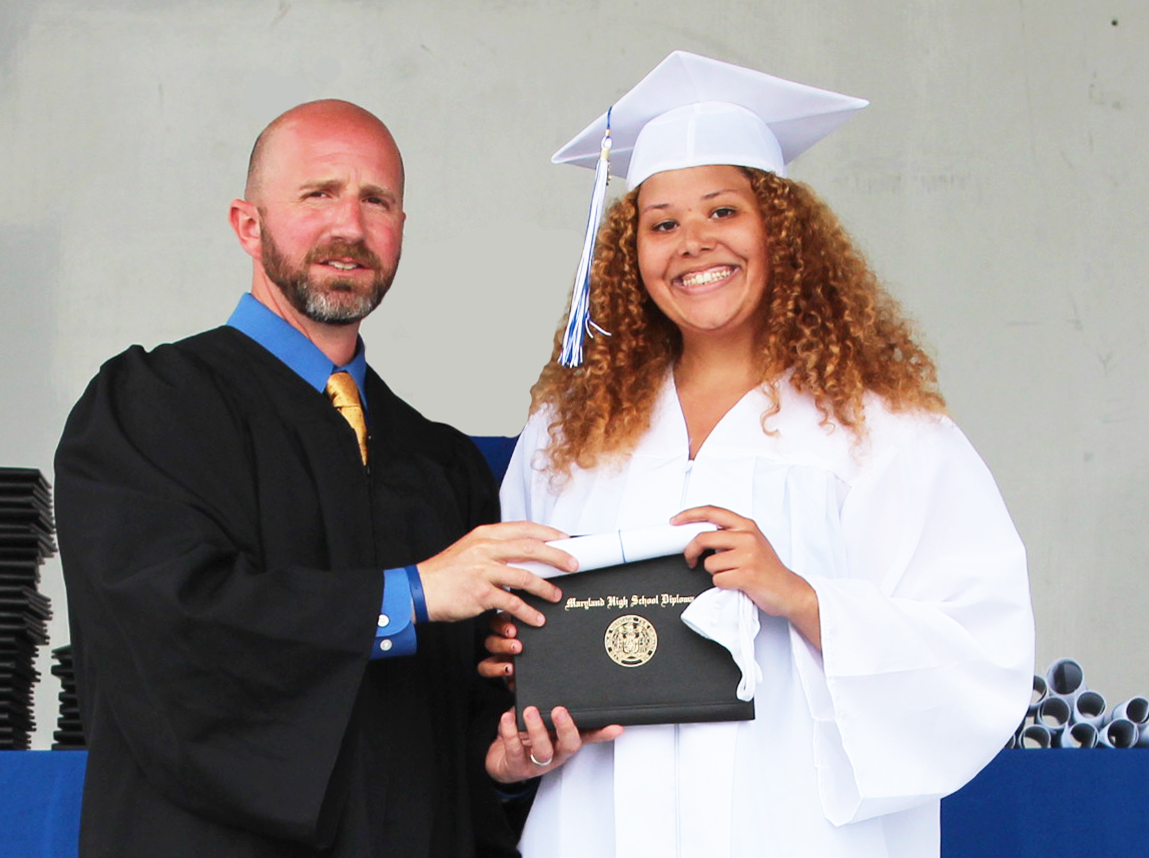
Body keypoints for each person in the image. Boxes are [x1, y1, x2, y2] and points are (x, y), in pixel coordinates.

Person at [481, 52, 1035, 857]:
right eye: (661, 223)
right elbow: (517, 621)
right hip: (596, 826)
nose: (692, 243)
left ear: (779, 229)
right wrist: (516, 655)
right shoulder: (569, 436)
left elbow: (980, 654)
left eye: (722, 211)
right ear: (629, 255)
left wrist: (802, 597)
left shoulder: (882, 431)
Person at [53, 99, 581, 858]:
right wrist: (410, 595)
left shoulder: (439, 463)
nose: (350, 226)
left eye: (377, 200)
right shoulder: (150, 407)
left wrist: (497, 758)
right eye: (318, 194)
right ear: (247, 224)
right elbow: (169, 625)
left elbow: (458, 700)